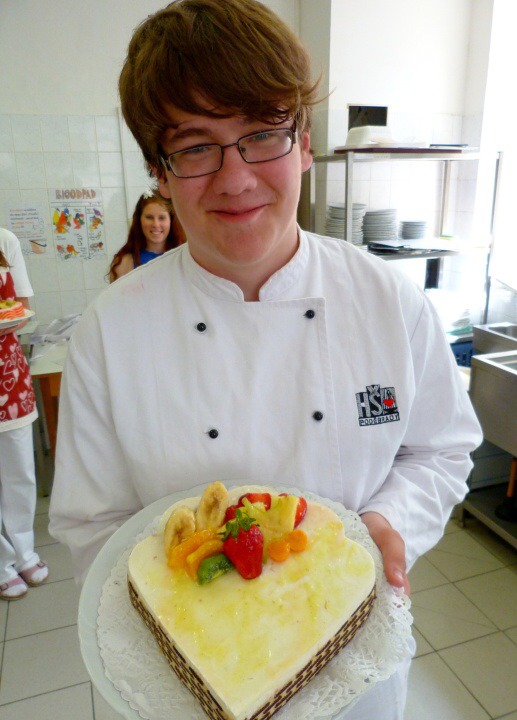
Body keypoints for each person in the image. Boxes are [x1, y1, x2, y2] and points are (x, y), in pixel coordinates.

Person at [48, 1, 482, 717]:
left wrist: (388, 526)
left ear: (303, 143)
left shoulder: (387, 300)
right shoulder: (111, 329)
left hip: (355, 670)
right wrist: (188, 636)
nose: (236, 178)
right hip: (193, 678)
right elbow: (93, 524)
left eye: (262, 134)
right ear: (159, 171)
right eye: (195, 147)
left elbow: (440, 449)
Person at [0, 233, 48, 600]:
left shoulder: (5, 240)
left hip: (8, 371)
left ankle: (24, 552)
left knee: (19, 470)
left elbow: (21, 307)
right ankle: (2, 563)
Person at [108, 191, 184, 282]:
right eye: (149, 217)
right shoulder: (123, 263)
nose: (156, 224)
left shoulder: (185, 258)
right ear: (139, 220)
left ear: (171, 220)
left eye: (162, 218)